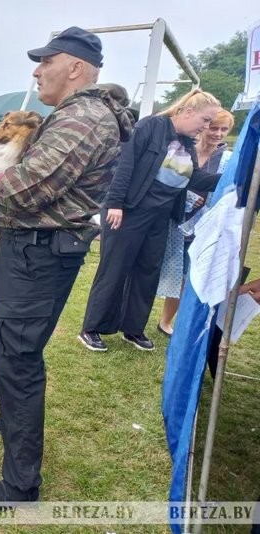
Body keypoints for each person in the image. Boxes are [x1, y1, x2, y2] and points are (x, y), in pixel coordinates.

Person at [0, 27, 133, 503]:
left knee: (17, 358)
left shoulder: (83, 118)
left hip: (39, 253)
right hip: (37, 249)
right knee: (14, 347)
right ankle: (16, 421)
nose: (37, 71)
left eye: (47, 62)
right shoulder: (76, 115)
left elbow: (28, 185)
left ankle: (21, 483)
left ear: (76, 68)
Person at [79, 89, 222, 353]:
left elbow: (196, 179)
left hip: (160, 218)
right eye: (205, 120)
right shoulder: (150, 126)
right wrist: (115, 204)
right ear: (188, 112)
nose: (206, 127)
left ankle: (133, 329)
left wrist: (233, 177)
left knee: (147, 273)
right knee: (115, 269)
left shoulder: (187, 144)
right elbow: (125, 165)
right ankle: (92, 328)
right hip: (128, 212)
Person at [156, 108, 234, 335]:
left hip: (205, 224)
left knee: (188, 274)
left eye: (224, 129)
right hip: (174, 218)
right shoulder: (183, 149)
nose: (218, 134)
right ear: (203, 127)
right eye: (214, 127)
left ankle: (166, 320)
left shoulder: (227, 160)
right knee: (163, 268)